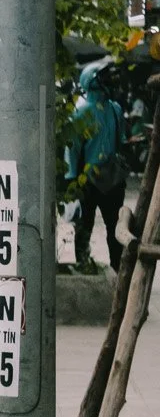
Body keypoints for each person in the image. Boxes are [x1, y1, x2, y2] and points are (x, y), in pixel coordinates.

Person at [67, 65, 128, 270]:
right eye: (104, 77)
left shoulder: (115, 109)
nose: (111, 80)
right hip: (87, 180)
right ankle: (82, 266)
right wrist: (72, 179)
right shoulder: (81, 110)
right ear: (92, 80)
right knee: (84, 226)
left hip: (112, 179)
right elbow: (72, 149)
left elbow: (119, 141)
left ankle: (117, 268)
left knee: (115, 227)